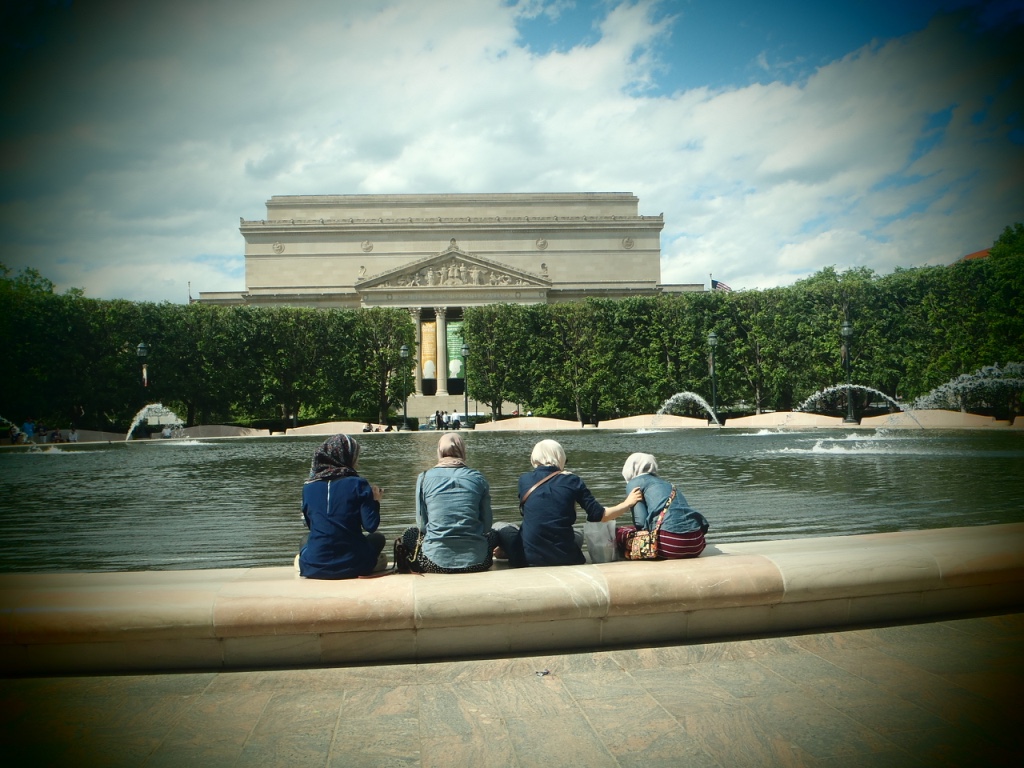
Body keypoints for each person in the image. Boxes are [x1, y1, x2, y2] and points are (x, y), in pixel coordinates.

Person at [495, 439, 642, 567]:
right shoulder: (573, 480)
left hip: (526, 558)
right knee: (578, 534)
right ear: (561, 458)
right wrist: (627, 503)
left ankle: (506, 551)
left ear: (534, 459)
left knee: (499, 526)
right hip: (566, 557)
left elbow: (539, 511)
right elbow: (600, 515)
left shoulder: (524, 480)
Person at [398, 433, 497, 573]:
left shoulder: (424, 478)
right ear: (462, 450)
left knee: (409, 533)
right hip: (478, 562)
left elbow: (422, 525)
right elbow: (487, 526)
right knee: (494, 533)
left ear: (439, 451)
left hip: (433, 562)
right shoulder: (478, 477)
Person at [297, 434, 386, 579]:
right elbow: (371, 526)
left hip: (313, 566)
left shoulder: (308, 487)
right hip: (354, 564)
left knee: (305, 540)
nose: (357, 462)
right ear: (346, 457)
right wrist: (375, 501)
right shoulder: (358, 484)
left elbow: (311, 526)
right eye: (356, 457)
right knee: (378, 538)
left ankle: (306, 560)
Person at [616, 453, 710, 559]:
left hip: (672, 545)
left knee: (620, 533)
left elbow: (640, 523)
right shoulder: (667, 484)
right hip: (697, 543)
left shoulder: (634, 483)